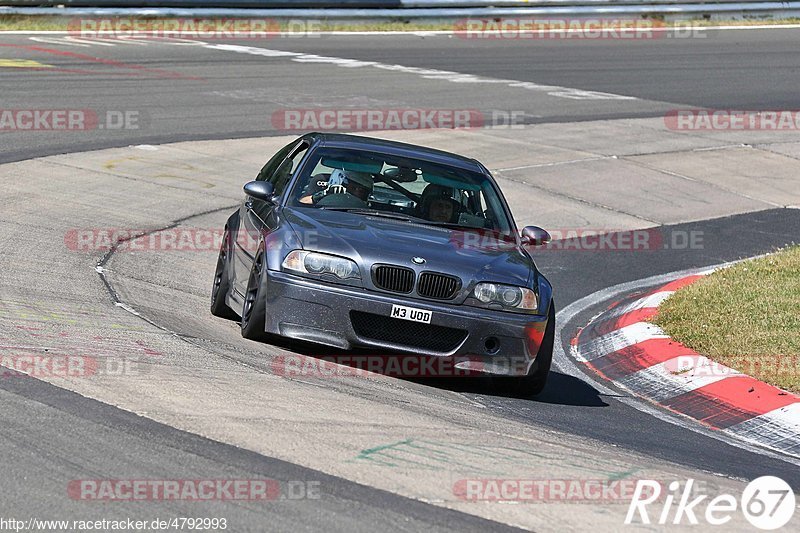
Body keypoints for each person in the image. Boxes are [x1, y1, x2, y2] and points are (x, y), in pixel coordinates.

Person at [299, 169, 374, 207]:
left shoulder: (364, 209)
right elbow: (299, 204)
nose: (358, 192)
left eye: (363, 191)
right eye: (354, 187)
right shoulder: (319, 183)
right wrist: (321, 196)